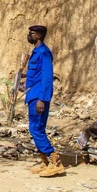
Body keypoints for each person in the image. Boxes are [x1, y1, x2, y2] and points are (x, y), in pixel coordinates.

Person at [24, 25, 64, 177]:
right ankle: (45, 161)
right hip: (32, 94)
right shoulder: (35, 52)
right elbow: (35, 76)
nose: (30, 35)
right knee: (35, 128)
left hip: (39, 97)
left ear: (39, 35)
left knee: (36, 129)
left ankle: (54, 160)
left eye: (32, 33)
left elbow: (47, 77)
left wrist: (42, 99)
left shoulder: (44, 53)